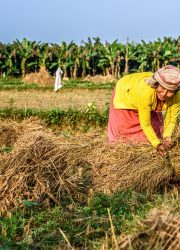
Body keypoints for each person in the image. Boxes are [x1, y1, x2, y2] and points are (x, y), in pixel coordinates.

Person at [108, 65, 180, 156]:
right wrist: (157, 144)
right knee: (123, 130)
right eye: (162, 88)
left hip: (146, 99)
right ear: (156, 84)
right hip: (126, 92)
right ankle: (119, 154)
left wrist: (167, 136)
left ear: (176, 91)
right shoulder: (146, 92)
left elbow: (171, 119)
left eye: (170, 91)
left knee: (156, 128)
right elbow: (145, 124)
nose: (164, 94)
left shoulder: (177, 96)